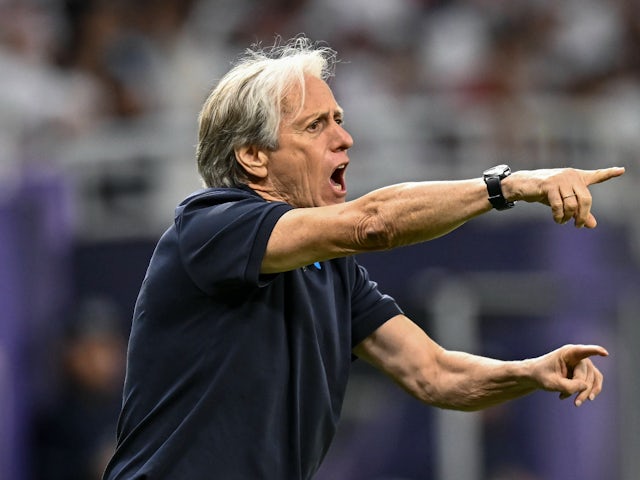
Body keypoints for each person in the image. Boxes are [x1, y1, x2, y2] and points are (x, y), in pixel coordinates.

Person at [102, 36, 625, 480]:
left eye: (339, 120)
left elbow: (435, 373)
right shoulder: (210, 226)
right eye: (315, 126)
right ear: (253, 156)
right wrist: (507, 186)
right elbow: (373, 222)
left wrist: (530, 371)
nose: (344, 138)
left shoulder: (332, 270)